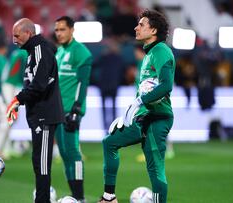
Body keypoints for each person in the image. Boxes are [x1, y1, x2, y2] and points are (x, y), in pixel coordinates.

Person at [98, 9, 175, 203]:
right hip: (144, 117)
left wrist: (140, 101)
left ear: (154, 30)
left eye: (141, 24)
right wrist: (129, 114)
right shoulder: (148, 55)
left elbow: (166, 86)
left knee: (155, 169)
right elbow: (144, 91)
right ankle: (109, 197)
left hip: (158, 118)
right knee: (110, 142)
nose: (136, 27)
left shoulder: (161, 51)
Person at [8, 18, 64, 203]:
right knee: (38, 161)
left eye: (17, 35)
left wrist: (18, 99)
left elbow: (39, 84)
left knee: (42, 164)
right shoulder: (33, 51)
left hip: (45, 115)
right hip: (39, 115)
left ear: (28, 33)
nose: (14, 40)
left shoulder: (41, 50)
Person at [54, 16, 93, 202]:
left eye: (62, 29)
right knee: (63, 153)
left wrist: (77, 109)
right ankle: (76, 196)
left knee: (73, 153)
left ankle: (80, 197)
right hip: (57, 110)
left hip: (71, 110)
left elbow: (82, 84)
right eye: (57, 30)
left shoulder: (81, 52)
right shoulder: (60, 51)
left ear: (72, 30)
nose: (59, 33)